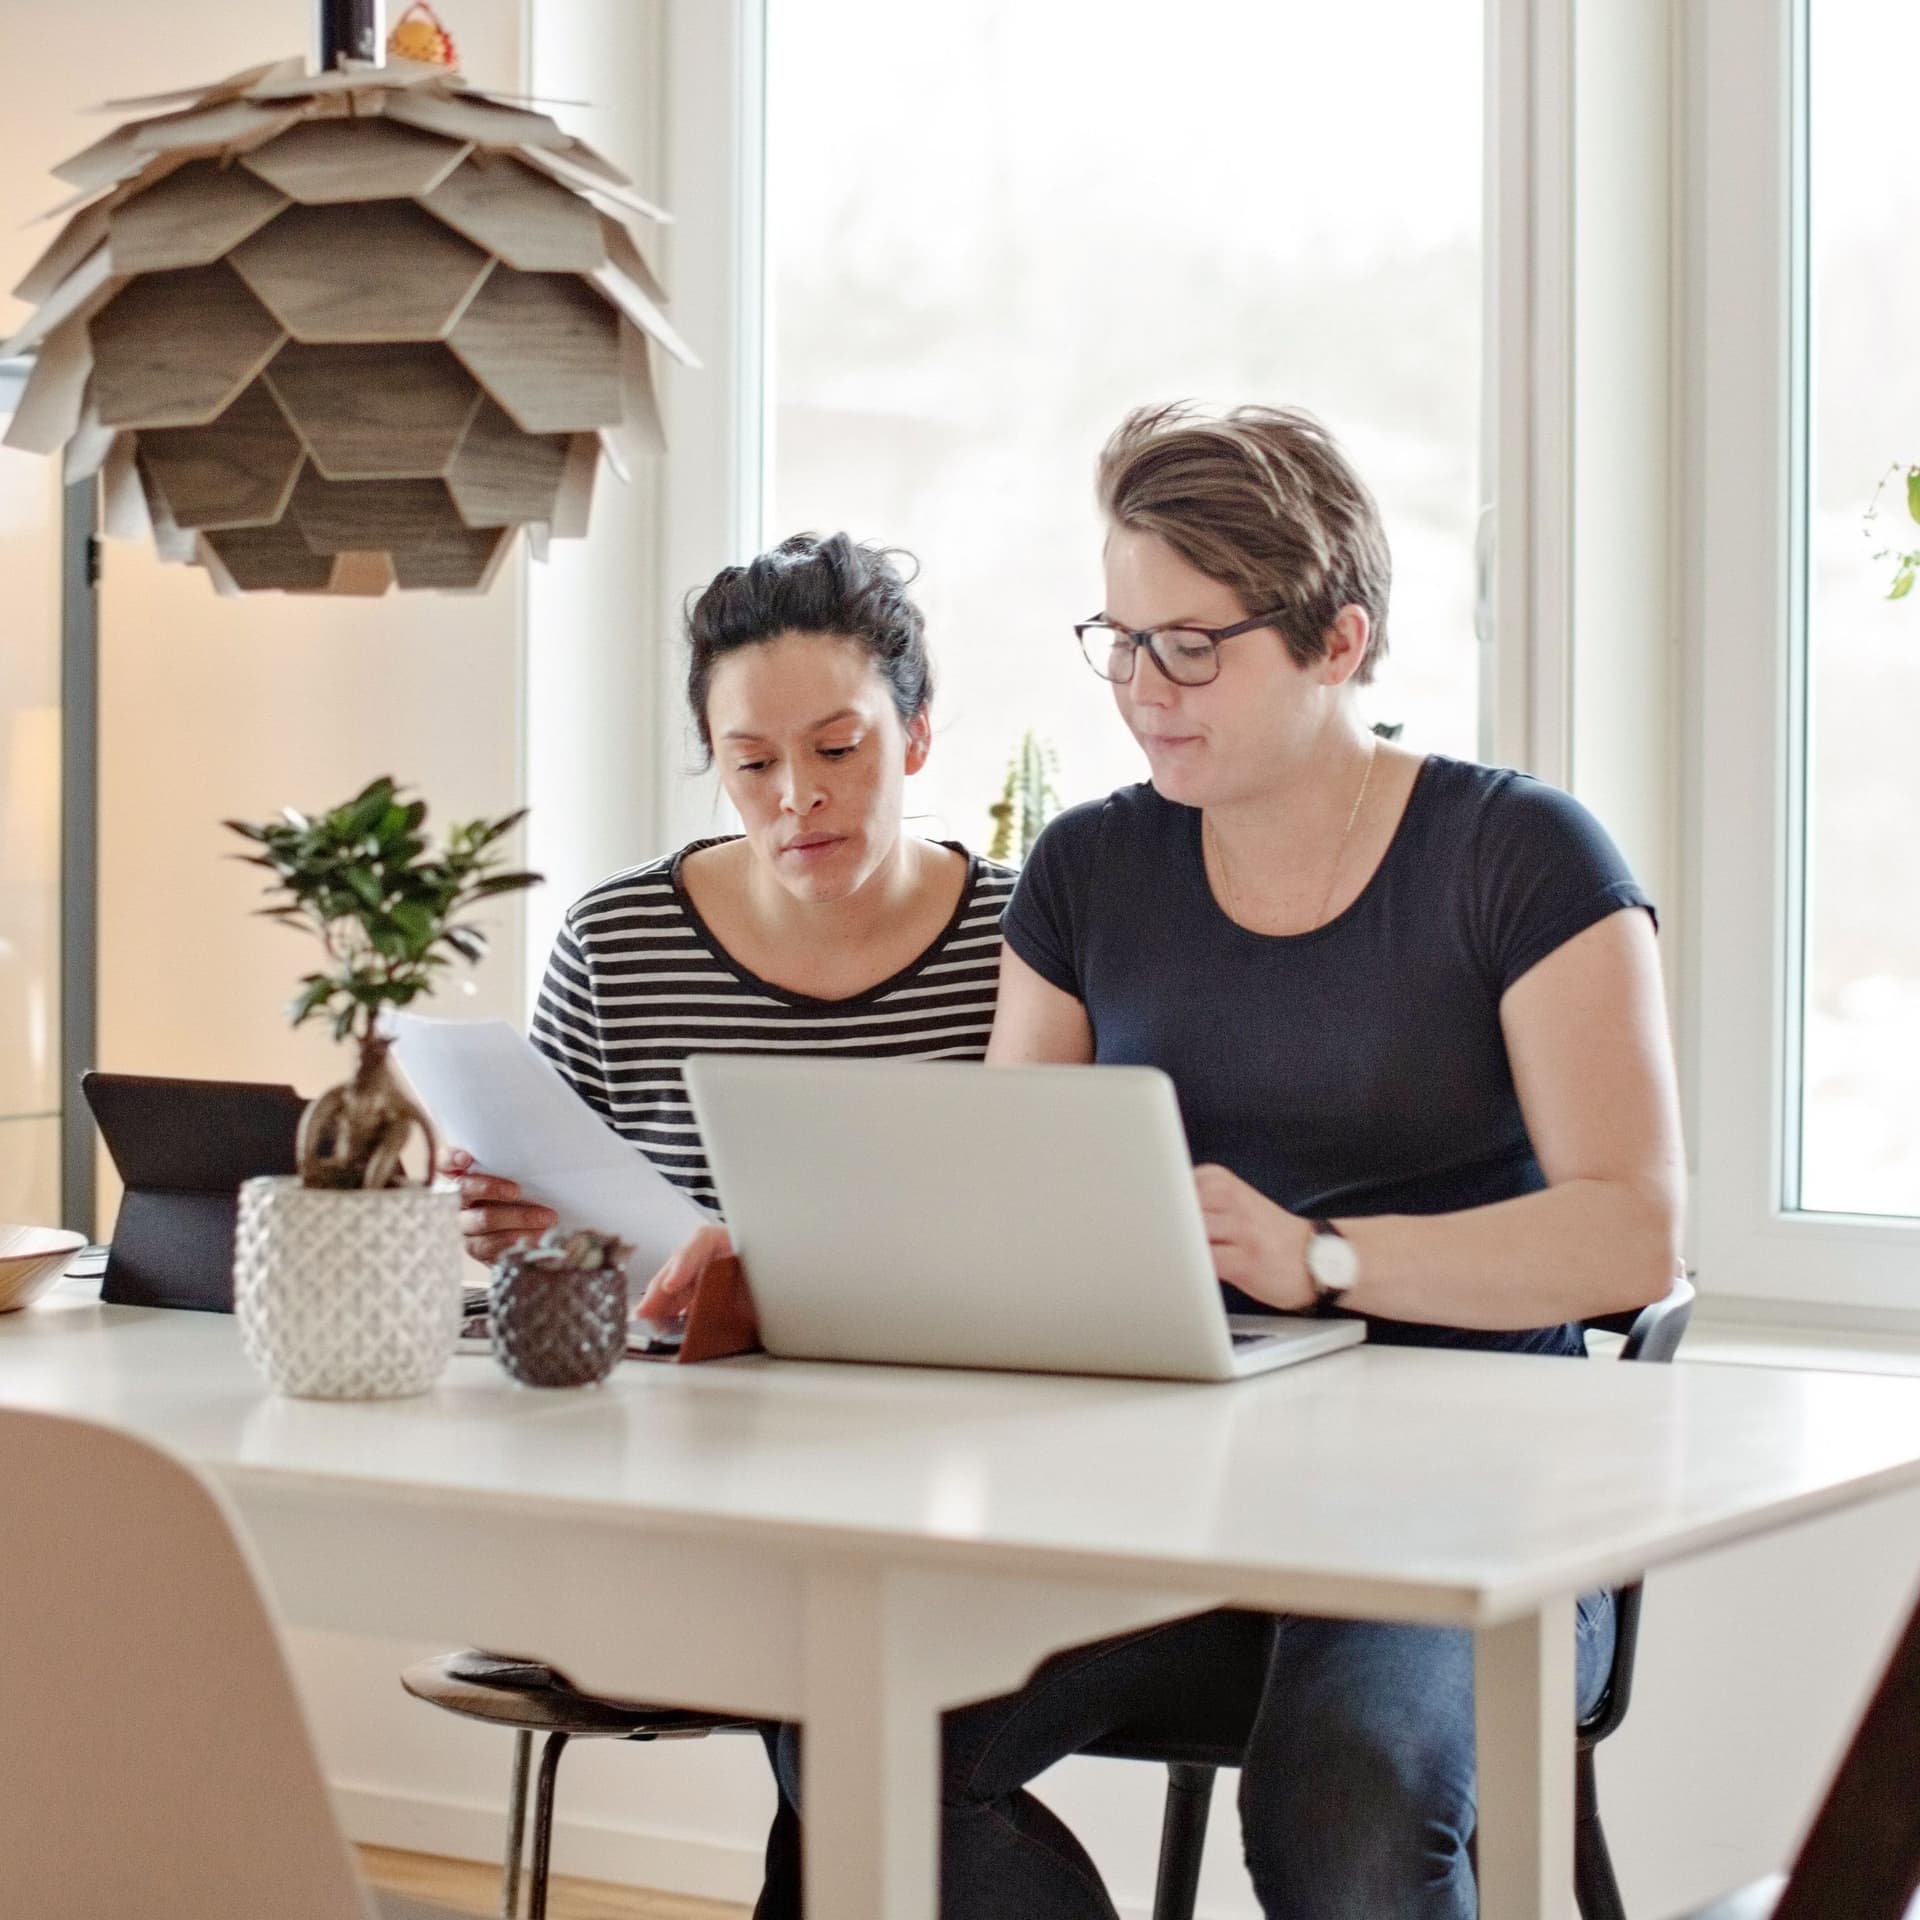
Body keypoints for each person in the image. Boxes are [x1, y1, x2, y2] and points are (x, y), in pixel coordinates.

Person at [793, 404, 1685, 1919]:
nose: (1144, 691)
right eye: (1120, 641)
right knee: (848, 1716)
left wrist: (1325, 1262)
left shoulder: (1523, 857)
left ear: (1337, 640)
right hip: (1172, 1506)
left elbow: (1631, 1239)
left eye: (1190, 647)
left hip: (1473, 1513)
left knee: (1343, 1797)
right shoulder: (1088, 869)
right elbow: (1015, 1205)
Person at [450, 530, 1017, 1920]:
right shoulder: (620, 943)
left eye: (839, 750)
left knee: (856, 1702)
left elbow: (1050, 1241)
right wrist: (515, 1241)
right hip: (674, 1486)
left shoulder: (1026, 942)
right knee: (847, 1712)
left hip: (956, 1485)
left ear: (920, 735)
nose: (797, 799)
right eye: (751, 762)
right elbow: (554, 1271)